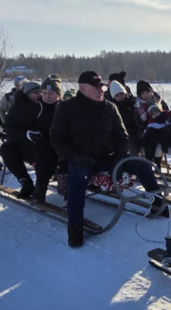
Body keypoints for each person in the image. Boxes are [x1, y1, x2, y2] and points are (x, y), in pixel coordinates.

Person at [50, 71, 160, 248]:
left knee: (142, 165)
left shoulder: (109, 107)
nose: (101, 91)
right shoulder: (67, 108)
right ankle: (75, 226)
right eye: (96, 87)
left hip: (108, 156)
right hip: (81, 158)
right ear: (83, 89)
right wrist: (75, 157)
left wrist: (118, 159)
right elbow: (56, 138)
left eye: (101, 87)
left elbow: (122, 137)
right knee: (77, 181)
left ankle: (158, 203)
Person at [0, 76, 60, 201]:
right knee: (7, 149)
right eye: (36, 93)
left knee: (45, 154)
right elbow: (11, 128)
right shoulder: (19, 107)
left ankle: (45, 183)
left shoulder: (49, 105)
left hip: (43, 144)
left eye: (40, 92)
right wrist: (26, 133)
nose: (39, 95)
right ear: (27, 94)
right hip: (23, 142)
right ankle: (25, 181)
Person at [135, 80, 171, 162]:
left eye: (147, 92)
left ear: (151, 91)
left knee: (160, 139)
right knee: (151, 139)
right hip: (146, 130)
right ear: (140, 95)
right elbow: (138, 123)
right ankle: (149, 163)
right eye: (143, 93)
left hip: (162, 128)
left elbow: (167, 114)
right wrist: (150, 120)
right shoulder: (138, 106)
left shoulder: (159, 101)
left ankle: (157, 163)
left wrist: (161, 117)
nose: (146, 95)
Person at [108, 79, 139, 155]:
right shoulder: (112, 107)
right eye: (117, 95)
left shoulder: (134, 102)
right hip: (120, 132)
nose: (120, 96)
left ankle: (136, 159)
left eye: (121, 93)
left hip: (135, 130)